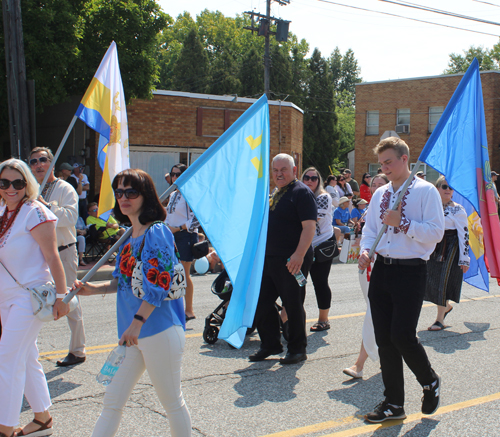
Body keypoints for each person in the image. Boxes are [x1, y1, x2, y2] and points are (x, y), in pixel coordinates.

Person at [74, 168, 192, 437]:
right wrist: (90, 289)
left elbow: (159, 285)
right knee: (112, 402)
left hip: (157, 330)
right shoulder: (129, 236)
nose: (123, 197)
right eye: (119, 192)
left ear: (146, 196)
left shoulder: (157, 232)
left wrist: (136, 324)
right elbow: (121, 283)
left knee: (172, 403)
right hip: (134, 334)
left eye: (131, 192)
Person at [359, 137, 444, 423]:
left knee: (402, 335)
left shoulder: (426, 191)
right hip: (382, 269)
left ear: (405, 159)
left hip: (410, 271)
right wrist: (365, 251)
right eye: (381, 163)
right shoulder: (381, 192)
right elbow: (371, 230)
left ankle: (429, 380)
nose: (384, 168)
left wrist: (404, 224)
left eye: (389, 162)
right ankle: (394, 402)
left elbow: (435, 233)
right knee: (384, 339)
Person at [0, 159, 69, 437]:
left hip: (29, 296)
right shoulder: (3, 211)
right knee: (26, 358)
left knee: (7, 358)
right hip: (6, 298)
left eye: (18, 182)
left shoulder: (35, 211)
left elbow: (53, 256)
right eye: (4, 183)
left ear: (27, 184)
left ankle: (5, 427)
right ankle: (42, 419)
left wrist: (63, 297)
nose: (11, 188)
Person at [250, 154, 316, 365]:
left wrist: (298, 255)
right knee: (261, 302)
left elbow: (309, 228)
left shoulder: (302, 193)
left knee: (293, 303)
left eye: (283, 170)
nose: (279, 174)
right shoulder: (275, 193)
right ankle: (270, 344)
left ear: (294, 170)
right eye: (276, 170)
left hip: (294, 260)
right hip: (270, 259)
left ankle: (298, 349)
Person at [29, 147, 87, 367]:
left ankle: (78, 350)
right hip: (38, 255)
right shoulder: (30, 190)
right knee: (33, 300)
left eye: (43, 160)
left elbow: (71, 217)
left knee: (70, 300)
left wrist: (47, 207)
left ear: (52, 163)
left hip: (63, 252)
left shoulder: (65, 188)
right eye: (34, 161)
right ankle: (28, 350)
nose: (38, 164)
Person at [343, 174, 389, 379]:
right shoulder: (368, 209)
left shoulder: (394, 209)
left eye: (381, 184)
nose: (377, 188)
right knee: (378, 312)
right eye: (374, 185)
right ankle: (388, 355)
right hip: (365, 263)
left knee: (374, 311)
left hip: (384, 264)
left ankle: (359, 363)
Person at [425, 177, 469, 331]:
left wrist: (465, 258)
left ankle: (439, 320)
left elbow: (464, 234)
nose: (448, 189)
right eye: (444, 186)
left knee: (443, 280)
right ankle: (446, 306)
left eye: (451, 187)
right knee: (430, 280)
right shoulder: (431, 207)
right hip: (433, 245)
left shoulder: (458, 209)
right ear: (437, 188)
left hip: (451, 246)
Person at [301, 167, 335, 332]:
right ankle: (291, 318)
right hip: (302, 246)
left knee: (319, 282)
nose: (309, 181)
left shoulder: (323, 197)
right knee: (297, 283)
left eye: (313, 178)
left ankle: (323, 319)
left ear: (318, 181)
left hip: (321, 245)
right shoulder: (297, 196)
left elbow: (313, 219)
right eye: (306, 177)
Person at [164, 164, 199, 322]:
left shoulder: (190, 194)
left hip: (186, 236)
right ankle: (175, 308)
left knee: (184, 273)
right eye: (173, 174)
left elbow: (196, 219)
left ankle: (189, 310)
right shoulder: (172, 194)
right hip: (172, 236)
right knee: (172, 273)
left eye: (178, 174)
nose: (175, 177)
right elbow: (169, 216)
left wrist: (177, 228)